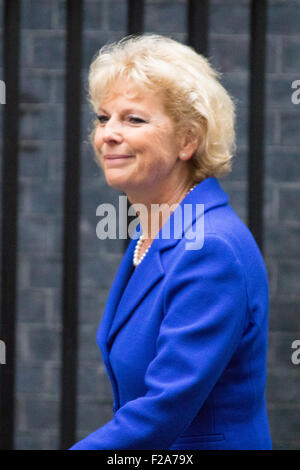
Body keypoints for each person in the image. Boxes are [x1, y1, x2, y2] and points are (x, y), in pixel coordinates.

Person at [70, 34, 272, 450]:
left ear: (187, 140)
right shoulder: (159, 228)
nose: (108, 133)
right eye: (103, 117)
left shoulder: (210, 248)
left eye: (134, 120)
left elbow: (162, 409)